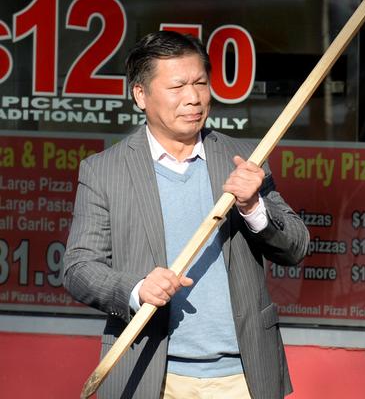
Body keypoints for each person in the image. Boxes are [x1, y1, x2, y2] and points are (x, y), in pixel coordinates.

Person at [65, 31, 310, 399]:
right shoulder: (105, 171)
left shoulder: (244, 159)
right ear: (141, 95)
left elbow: (296, 246)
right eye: (178, 86)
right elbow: (78, 267)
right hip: (151, 376)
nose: (194, 98)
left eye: (200, 83)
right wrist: (135, 289)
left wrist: (252, 207)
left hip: (241, 378)